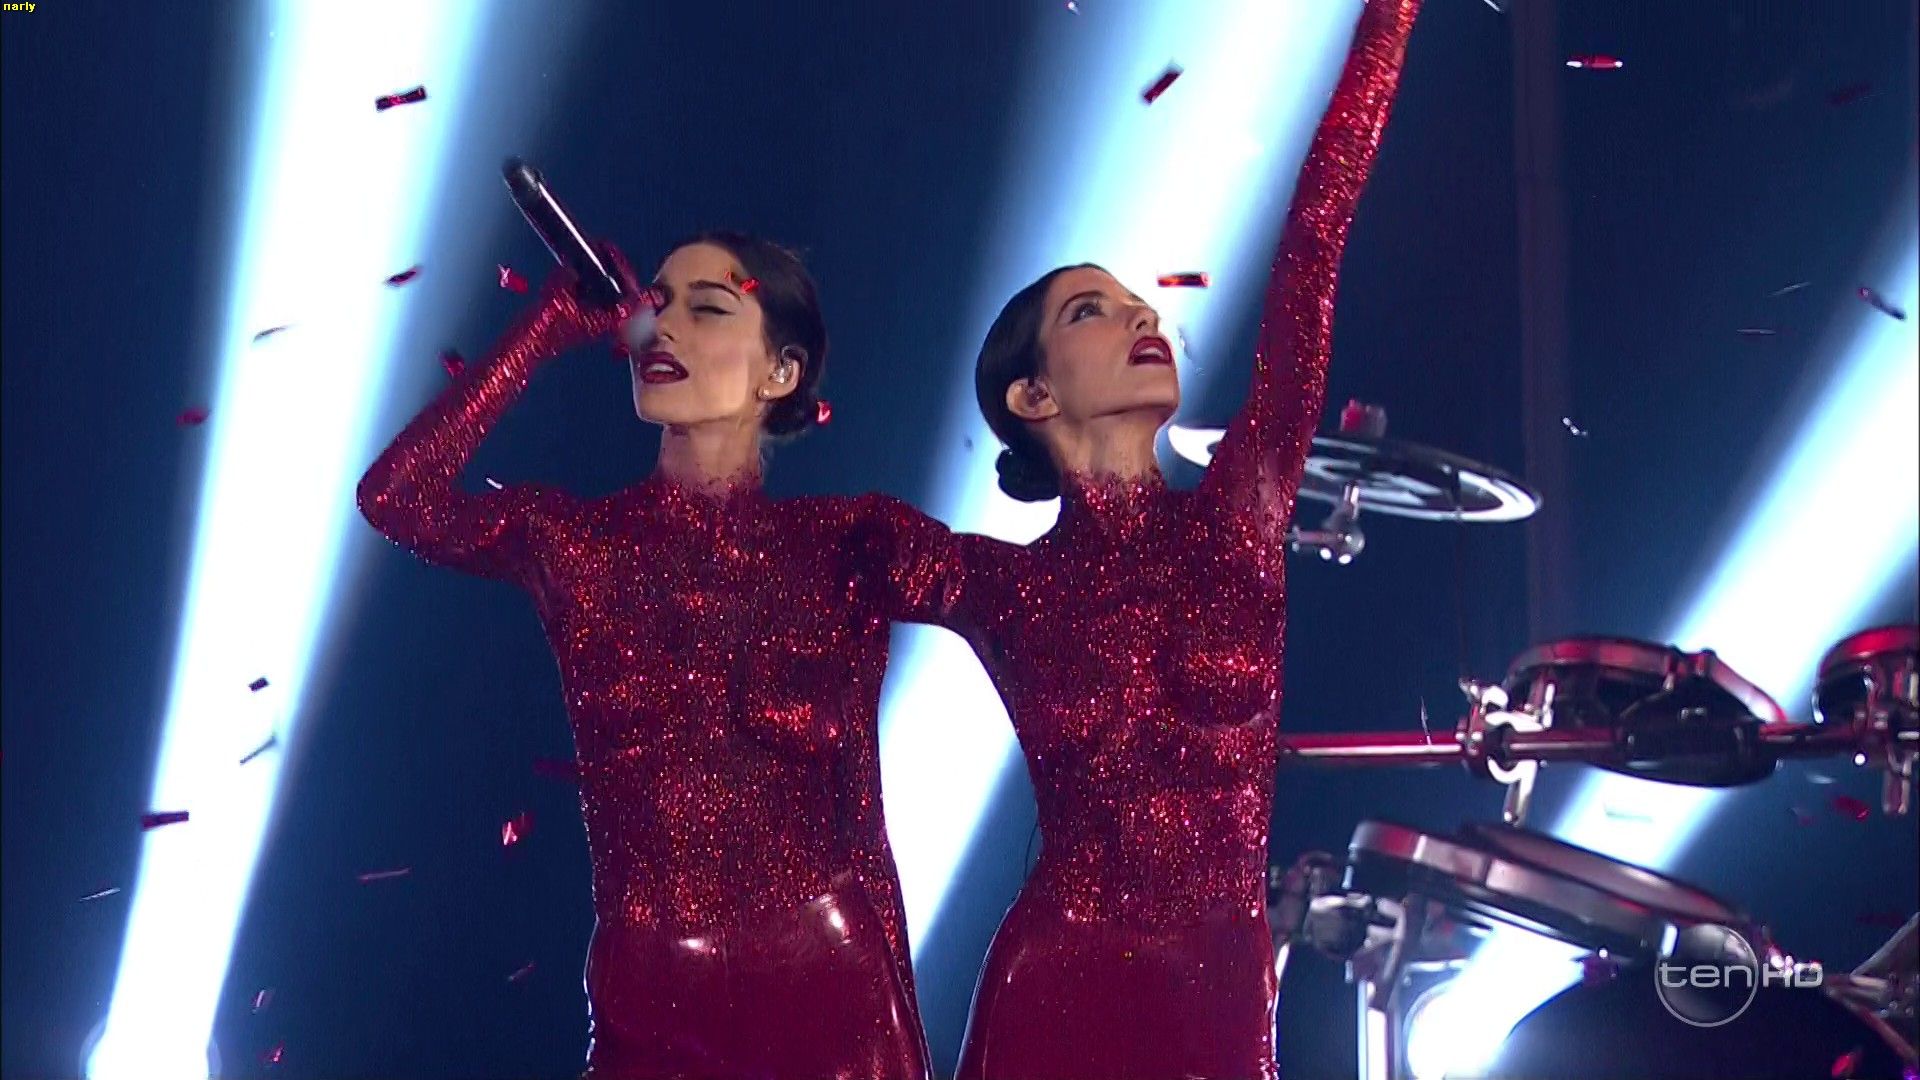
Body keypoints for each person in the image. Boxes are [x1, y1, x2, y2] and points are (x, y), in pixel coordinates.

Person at [870, 2, 1426, 1075]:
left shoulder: (1240, 512)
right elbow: (799, 556)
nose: (1143, 319)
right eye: (1092, 311)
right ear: (1032, 395)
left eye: (1143, 307)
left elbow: (1317, 234)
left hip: (1218, 997)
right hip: (1052, 988)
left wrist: (1391, 18)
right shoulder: (998, 585)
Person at [357, 232, 932, 1079]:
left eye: (709, 309)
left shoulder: (845, 544)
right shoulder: (577, 545)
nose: (665, 330)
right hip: (648, 1001)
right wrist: (544, 328)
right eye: (657, 305)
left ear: (781, 373)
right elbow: (395, 496)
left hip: (829, 988)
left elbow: (865, 820)